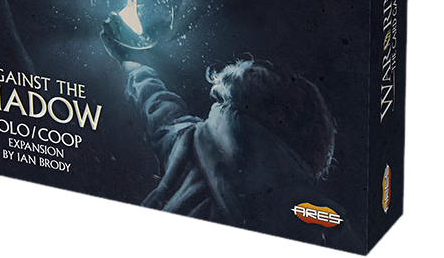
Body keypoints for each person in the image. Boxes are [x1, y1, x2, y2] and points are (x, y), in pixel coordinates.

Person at [100, 18, 361, 252]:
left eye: (219, 100)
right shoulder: (321, 218)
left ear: (228, 101)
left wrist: (131, 62)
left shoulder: (191, 144)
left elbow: (160, 108)